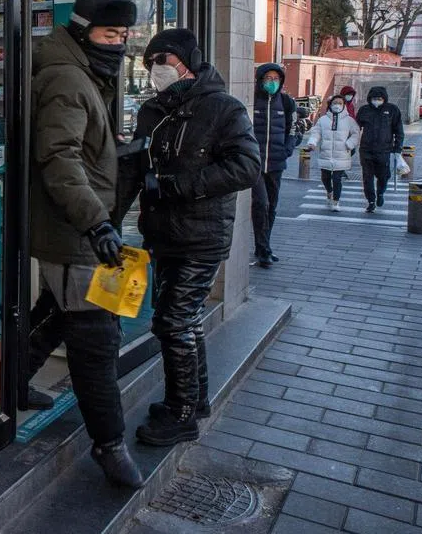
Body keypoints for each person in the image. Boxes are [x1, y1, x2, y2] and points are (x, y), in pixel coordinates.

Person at [23, 0, 144, 488]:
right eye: (109, 32)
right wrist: (96, 221)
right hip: (76, 232)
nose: (117, 43)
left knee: (51, 315)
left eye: (122, 35)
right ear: (82, 28)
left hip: (76, 230)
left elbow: (76, 146)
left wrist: (107, 148)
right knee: (95, 342)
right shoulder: (70, 79)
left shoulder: (82, 73)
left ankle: (9, 385)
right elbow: (59, 159)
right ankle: (110, 445)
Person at [116, 29, 261, 447]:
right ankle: (192, 401)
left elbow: (246, 167)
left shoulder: (222, 109)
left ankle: (181, 414)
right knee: (185, 318)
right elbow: (132, 171)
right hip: (162, 234)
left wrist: (179, 185)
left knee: (172, 321)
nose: (156, 71)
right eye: (150, 64)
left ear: (187, 61)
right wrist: (108, 220)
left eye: (163, 61)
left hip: (202, 235)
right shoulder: (152, 112)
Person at [250, 63, 297, 269]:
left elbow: (293, 129)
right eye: (267, 78)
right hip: (256, 163)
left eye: (275, 79)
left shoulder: (287, 102)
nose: (271, 82)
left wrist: (287, 149)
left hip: (277, 162)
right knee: (261, 204)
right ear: (260, 80)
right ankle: (264, 249)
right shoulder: (252, 101)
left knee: (272, 207)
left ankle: (264, 246)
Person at [306, 94, 360, 212]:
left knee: (337, 179)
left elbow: (356, 134)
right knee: (325, 177)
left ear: (344, 105)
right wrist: (312, 142)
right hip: (325, 153)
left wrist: (349, 144)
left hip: (342, 154)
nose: (337, 105)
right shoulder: (323, 120)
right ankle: (329, 191)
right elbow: (316, 133)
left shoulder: (349, 120)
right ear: (330, 105)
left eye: (340, 103)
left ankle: (336, 202)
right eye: (335, 103)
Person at [355, 86, 405, 213]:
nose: (376, 100)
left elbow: (399, 131)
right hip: (366, 149)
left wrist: (397, 148)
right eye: (374, 98)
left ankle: (381, 193)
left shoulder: (392, 110)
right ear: (369, 99)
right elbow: (355, 129)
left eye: (379, 98)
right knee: (367, 177)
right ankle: (371, 201)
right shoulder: (364, 110)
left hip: (384, 150)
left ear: (384, 98)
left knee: (383, 176)